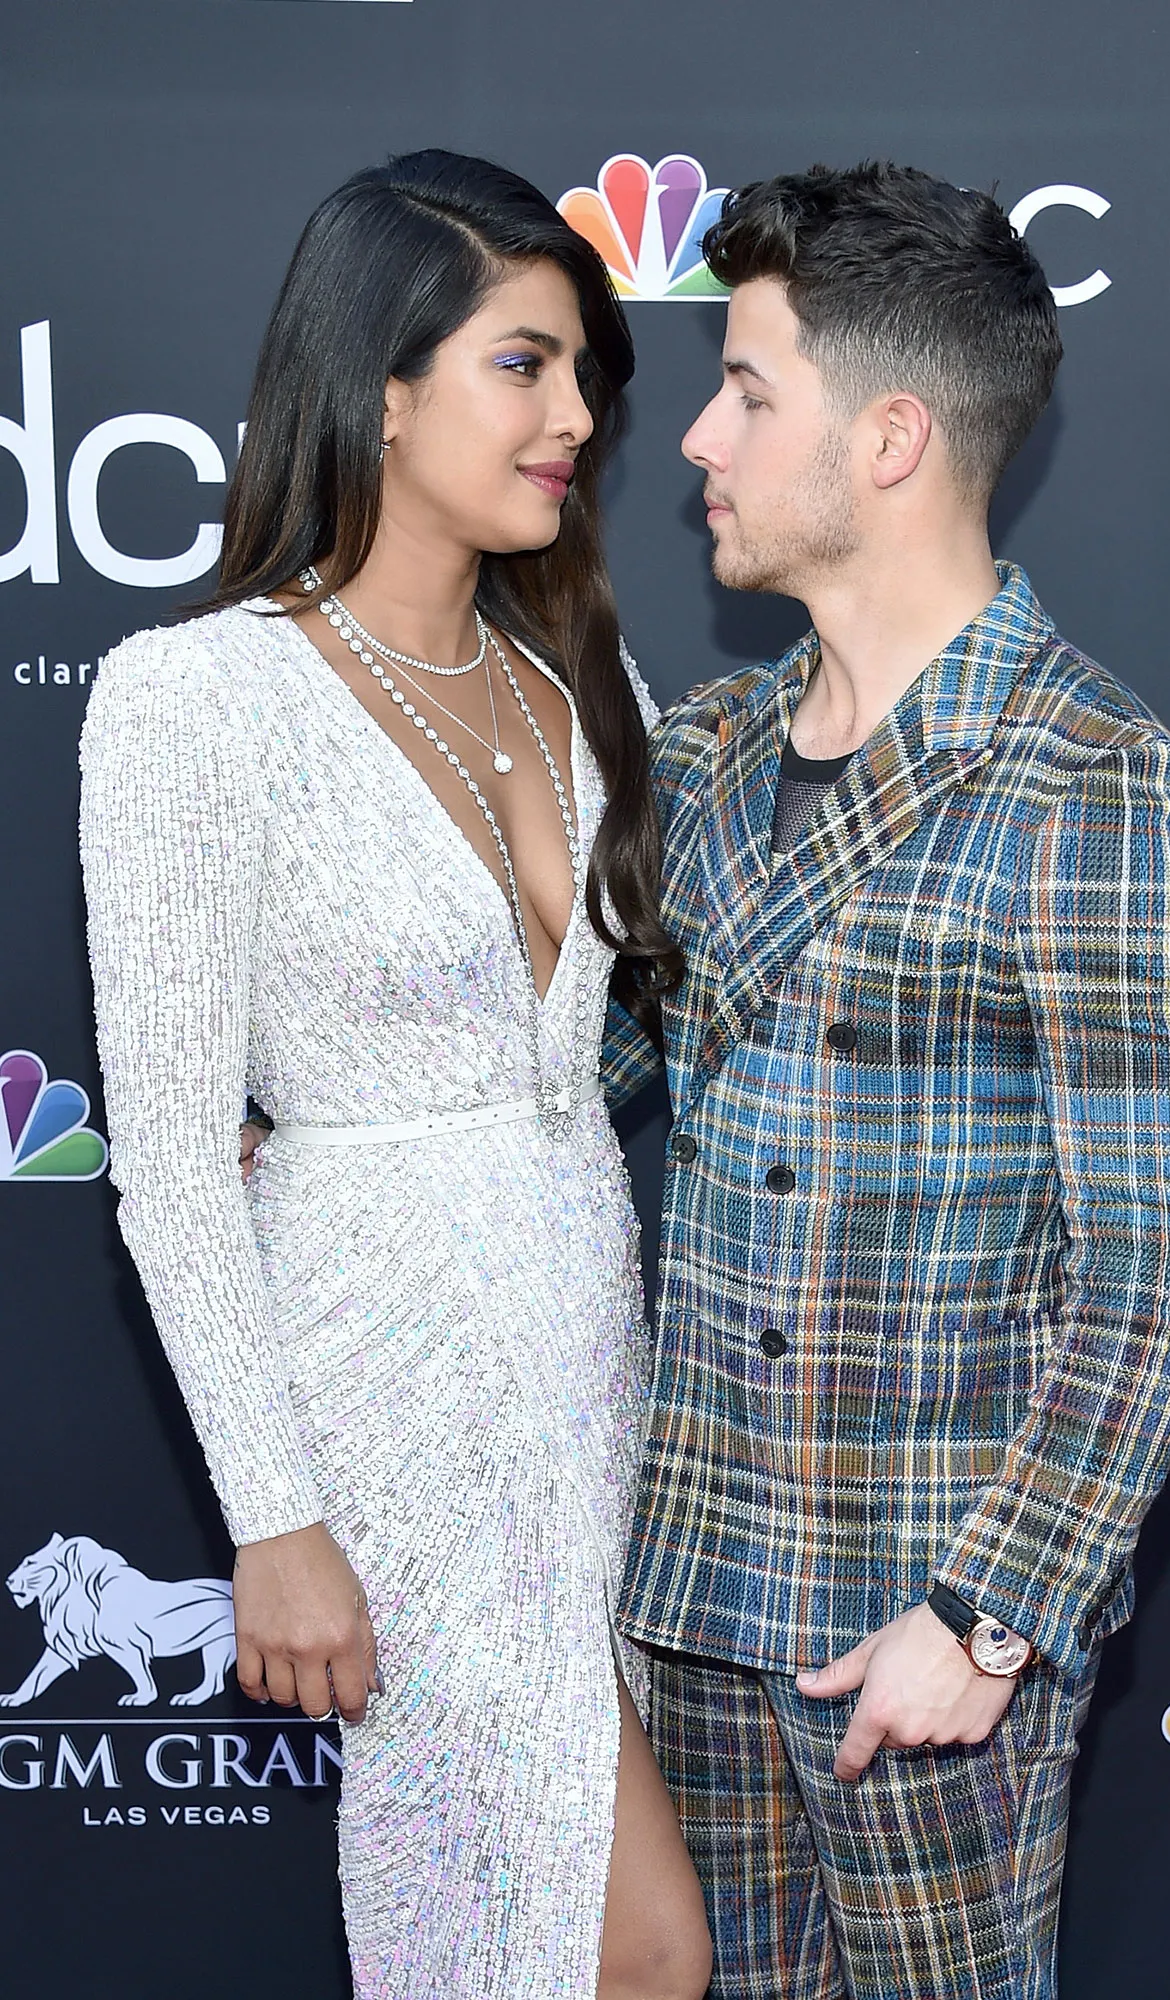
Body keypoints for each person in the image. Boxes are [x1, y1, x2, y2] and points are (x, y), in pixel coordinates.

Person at [603, 162, 1170, 1999]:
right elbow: (572, 1078)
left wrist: (987, 1619)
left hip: (925, 1621)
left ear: (889, 437)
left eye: (746, 392)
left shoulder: (1094, 785)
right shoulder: (707, 748)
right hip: (688, 1593)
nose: (698, 446)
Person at [79, 149, 711, 2000]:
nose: (579, 417)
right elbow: (180, 1166)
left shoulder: (586, 686)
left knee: (519, 1939)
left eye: (586, 371)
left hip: (591, 1369)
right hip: (383, 1387)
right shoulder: (197, 701)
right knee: (629, 1947)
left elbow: (627, 1050)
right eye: (526, 365)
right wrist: (271, 1523)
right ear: (379, 383)